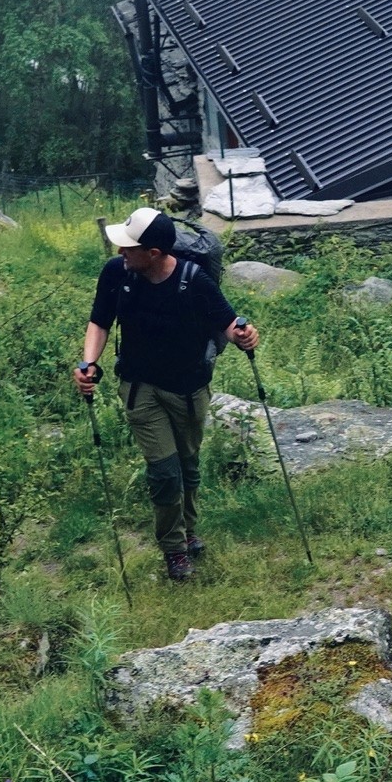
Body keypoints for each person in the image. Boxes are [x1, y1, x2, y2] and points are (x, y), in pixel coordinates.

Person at [75, 207, 259, 581]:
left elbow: (227, 324)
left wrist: (244, 335)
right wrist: (88, 363)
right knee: (164, 472)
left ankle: (189, 530)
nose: (121, 253)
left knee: (188, 466)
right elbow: (99, 320)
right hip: (140, 387)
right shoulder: (116, 273)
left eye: (129, 248)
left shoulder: (195, 281)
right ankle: (174, 549)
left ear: (154, 253)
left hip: (190, 388)